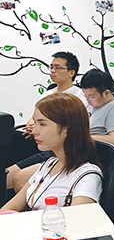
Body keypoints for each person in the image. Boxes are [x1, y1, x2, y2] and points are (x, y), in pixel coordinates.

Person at [1, 92, 102, 212]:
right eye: (35, 123)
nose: (35, 131)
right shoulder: (49, 164)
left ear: (67, 129)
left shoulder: (86, 176)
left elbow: (77, 221)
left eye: (42, 124)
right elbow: (8, 208)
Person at [6, 52, 88, 191]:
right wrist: (32, 125)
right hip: (35, 139)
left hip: (56, 146)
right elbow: (33, 118)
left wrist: (40, 127)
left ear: (71, 72)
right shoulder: (48, 93)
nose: (53, 71)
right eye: (51, 67)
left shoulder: (78, 97)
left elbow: (73, 127)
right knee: (10, 139)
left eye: (58, 68)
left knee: (12, 177)